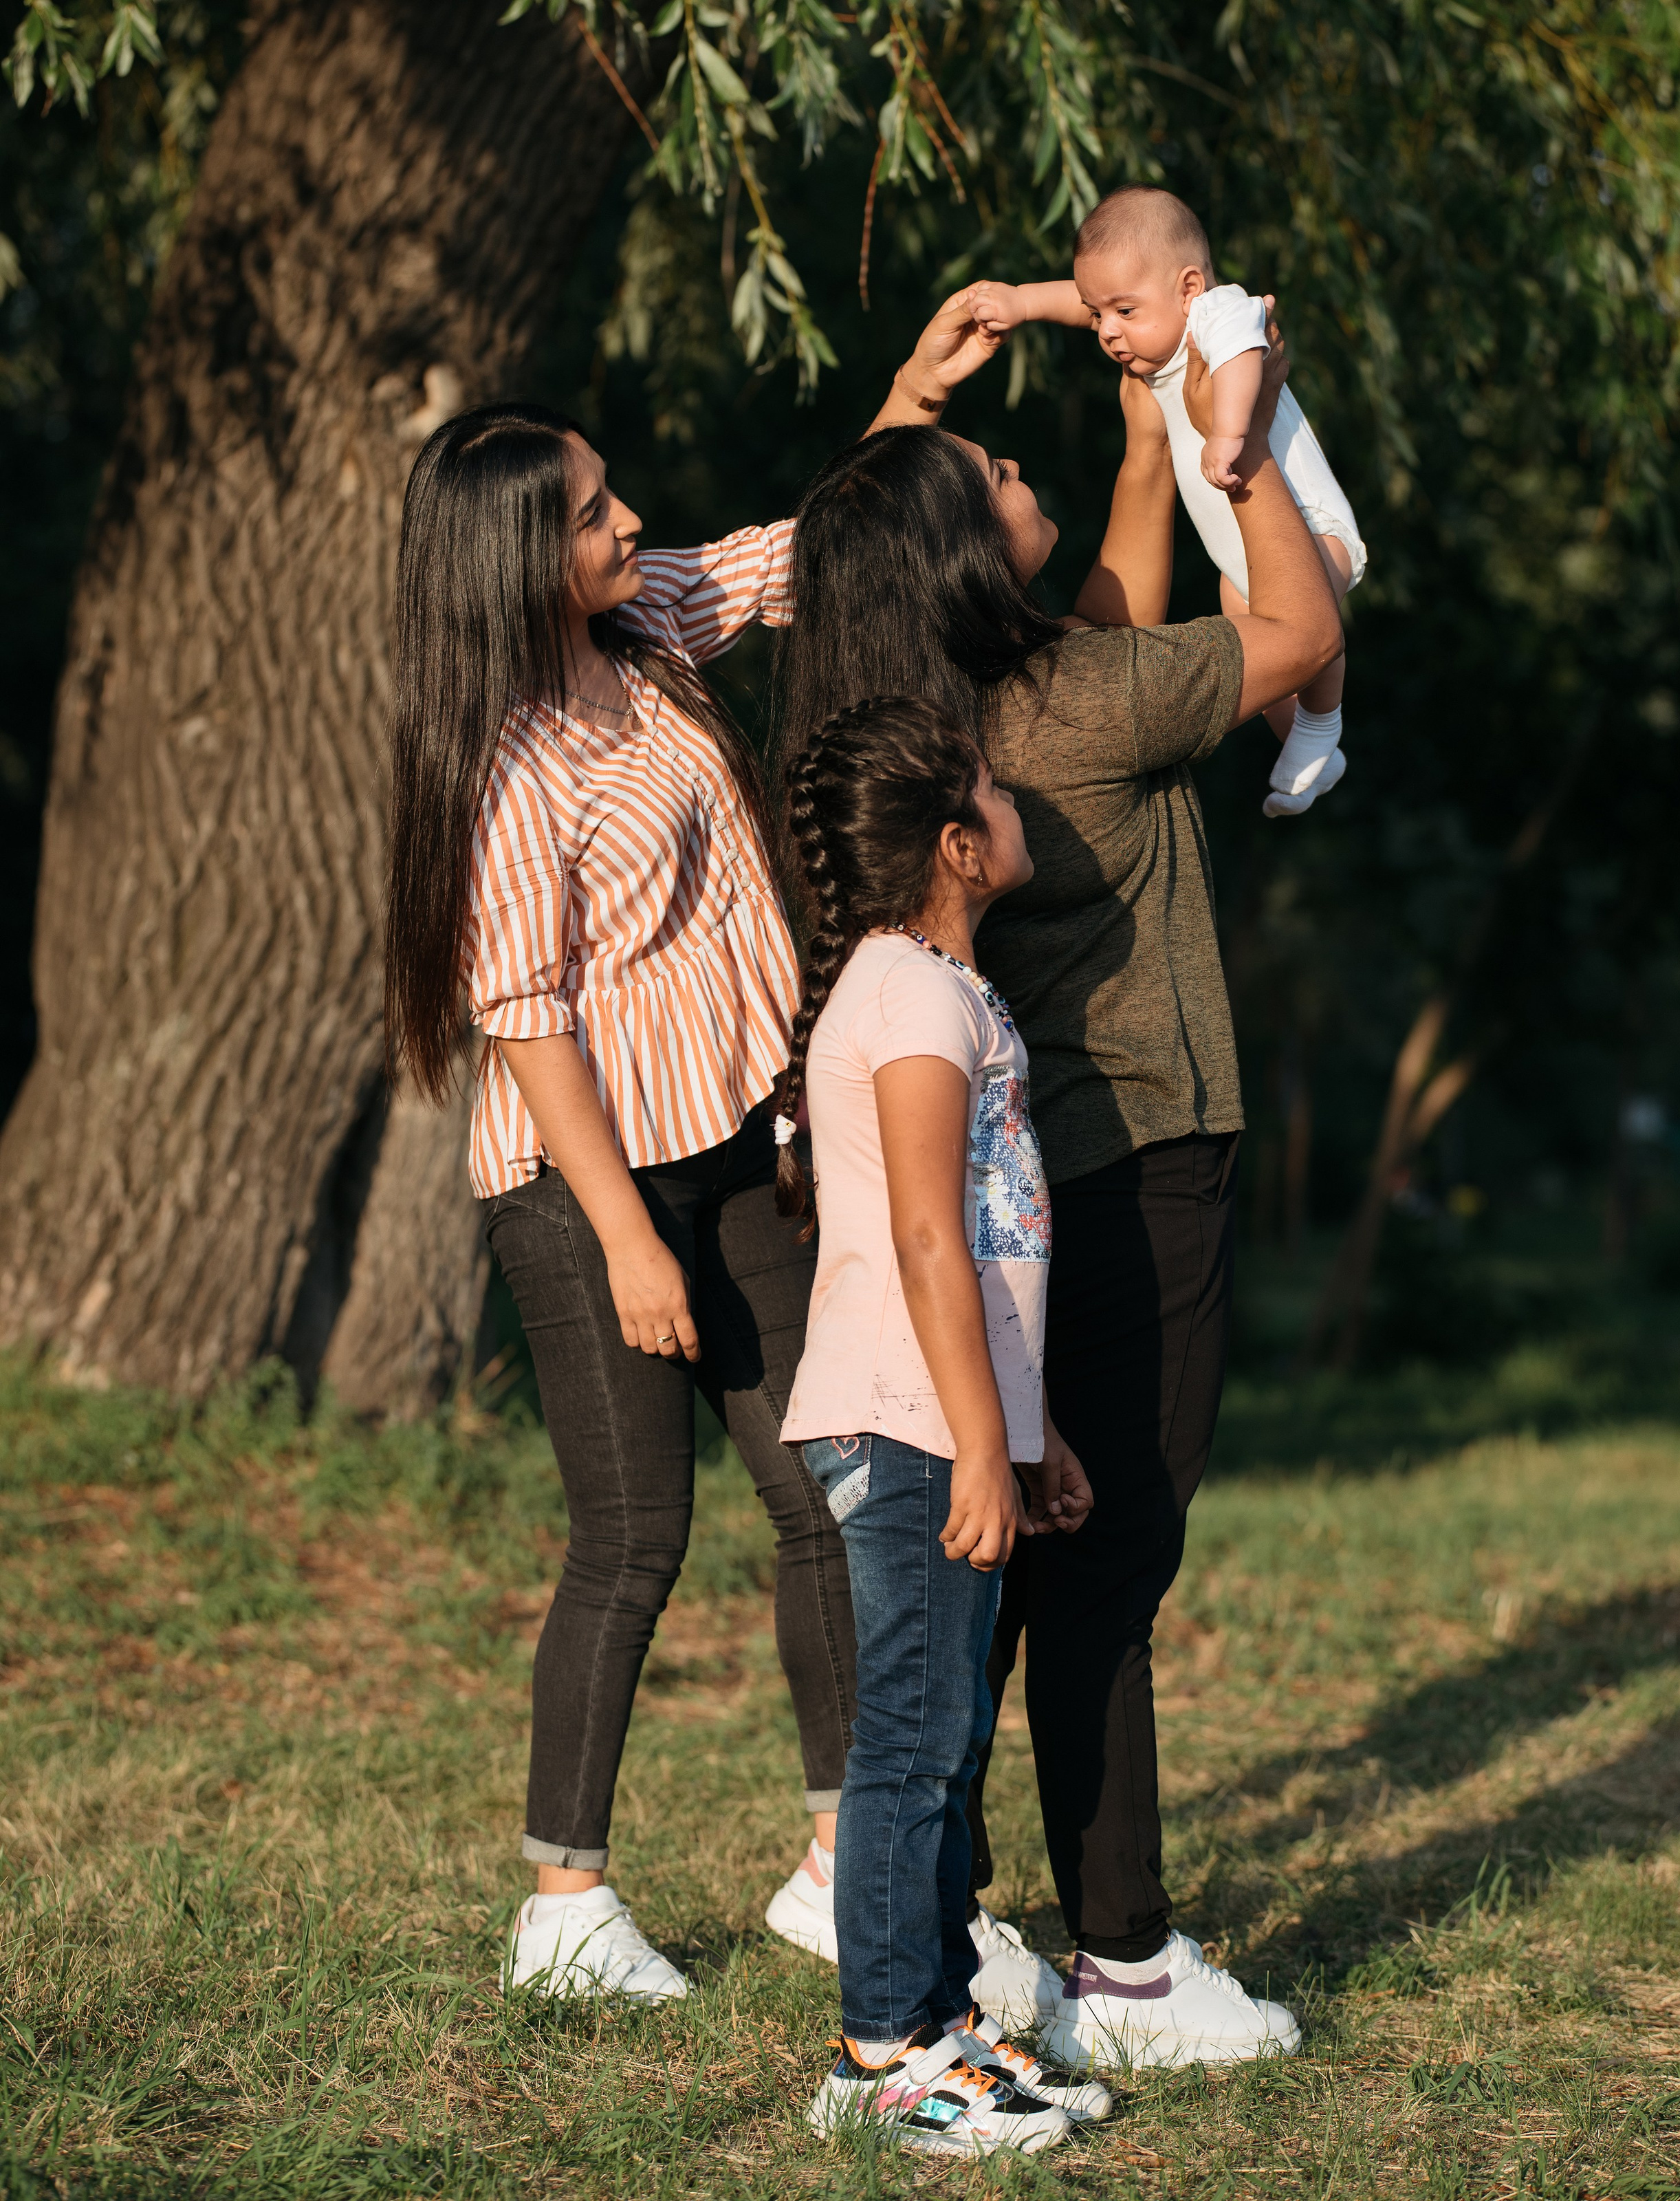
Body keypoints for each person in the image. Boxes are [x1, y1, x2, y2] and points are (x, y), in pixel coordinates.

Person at [379, 296, 1056, 2010]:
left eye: (612, 502)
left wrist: (901, 399)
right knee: (632, 1536)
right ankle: (563, 1898)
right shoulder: (508, 761)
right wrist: (623, 1239)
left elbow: (783, 565)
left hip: (732, 1136)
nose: (629, 526)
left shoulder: (638, 635)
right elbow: (521, 1016)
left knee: (821, 1490)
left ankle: (843, 1862)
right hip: (586, 1176)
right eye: (597, 514)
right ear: (520, 563)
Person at [775, 299, 1342, 2070]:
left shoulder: (918, 711)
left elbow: (1103, 573)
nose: (1017, 470)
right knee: (1112, 1559)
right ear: (958, 553)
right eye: (992, 472)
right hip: (1139, 1151)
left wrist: (1126, 439)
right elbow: (1301, 626)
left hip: (1037, 1180)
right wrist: (1228, 429)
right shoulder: (1080, 704)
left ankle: (937, 1917)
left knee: (1022, 1565)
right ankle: (1123, 1964)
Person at [775, 696, 1104, 2154]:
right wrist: (978, 1440)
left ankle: (935, 2015)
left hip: (950, 1418)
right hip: (903, 1418)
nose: (1012, 794)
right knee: (905, 1743)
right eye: (989, 783)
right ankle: (876, 2053)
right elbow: (923, 1235)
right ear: (956, 849)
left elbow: (985, 1234)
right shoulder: (905, 996)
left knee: (946, 1730)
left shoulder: (941, 987)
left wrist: (1028, 1433)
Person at [969, 184, 1365, 820]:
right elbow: (1081, 300)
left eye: (1123, 311)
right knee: (1260, 647)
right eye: (1100, 315)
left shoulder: (1217, 314)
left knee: (1306, 625)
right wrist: (1021, 303)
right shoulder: (1155, 337)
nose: (1106, 330)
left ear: (1189, 288)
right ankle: (1305, 738)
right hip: (1245, 552)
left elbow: (1247, 356)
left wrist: (1234, 433)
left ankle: (1322, 728)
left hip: (1310, 526)